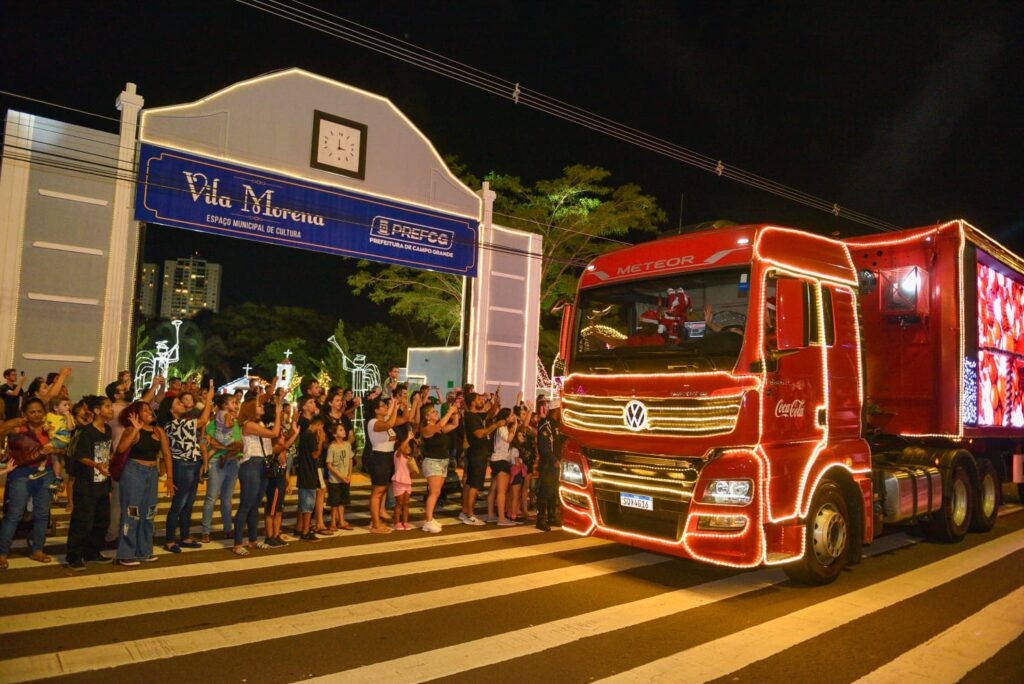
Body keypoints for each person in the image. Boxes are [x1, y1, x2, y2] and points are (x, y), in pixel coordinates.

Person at [0, 397, 60, 569]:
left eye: (39, 411)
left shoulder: (50, 429)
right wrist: (17, 421)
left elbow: (62, 448)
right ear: (25, 413)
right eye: (32, 411)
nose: (36, 415)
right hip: (21, 473)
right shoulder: (18, 429)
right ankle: (2, 553)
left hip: (46, 472)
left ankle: (37, 550)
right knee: (14, 515)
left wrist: (55, 450)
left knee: (42, 514)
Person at [115, 401, 175, 566]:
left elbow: (167, 455)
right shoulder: (131, 430)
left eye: (150, 410)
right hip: (134, 472)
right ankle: (126, 553)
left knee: (149, 512)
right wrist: (135, 429)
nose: (150, 412)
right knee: (131, 512)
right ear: (136, 414)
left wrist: (170, 478)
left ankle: (144, 551)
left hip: (151, 473)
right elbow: (120, 449)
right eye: (145, 410)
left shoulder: (158, 431)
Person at [158, 380, 214, 553]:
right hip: (183, 465)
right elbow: (204, 420)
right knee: (179, 503)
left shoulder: (181, 422)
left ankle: (184, 536)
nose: (182, 404)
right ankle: (169, 540)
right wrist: (209, 400)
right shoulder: (174, 424)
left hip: (192, 463)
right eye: (177, 403)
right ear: (171, 410)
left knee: (188, 503)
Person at [64, 395, 114, 571]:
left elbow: (109, 451)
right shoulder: (86, 432)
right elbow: (80, 456)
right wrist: (97, 465)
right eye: (107, 406)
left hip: (102, 482)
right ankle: (74, 556)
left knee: (101, 521)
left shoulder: (107, 429)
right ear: (97, 411)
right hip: (86, 484)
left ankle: (92, 551)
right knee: (82, 521)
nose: (111, 409)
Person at [233, 393, 282, 555]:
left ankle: (253, 540)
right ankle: (238, 543)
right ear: (250, 410)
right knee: (246, 505)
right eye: (258, 406)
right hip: (251, 464)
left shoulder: (258, 423)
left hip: (262, 464)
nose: (261, 406)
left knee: (255, 505)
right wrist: (279, 413)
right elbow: (274, 434)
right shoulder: (248, 425)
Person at [200, 393, 242, 543]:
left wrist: (224, 449)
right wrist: (223, 448)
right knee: (211, 497)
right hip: (216, 462)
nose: (235, 405)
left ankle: (227, 528)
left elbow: (239, 444)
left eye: (236, 403)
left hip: (231, 461)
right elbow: (207, 442)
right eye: (232, 402)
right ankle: (205, 531)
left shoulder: (235, 423)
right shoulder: (213, 423)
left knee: (227, 499)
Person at [460, 391, 501, 526]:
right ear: (472, 402)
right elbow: (479, 434)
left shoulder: (476, 415)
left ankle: (465, 511)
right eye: (478, 399)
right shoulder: (471, 417)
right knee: (474, 484)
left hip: (478, 453)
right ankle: (470, 515)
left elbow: (490, 414)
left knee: (470, 483)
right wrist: (495, 425)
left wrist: (495, 401)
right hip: (477, 453)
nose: (481, 401)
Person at [260, 408, 298, 548]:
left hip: (281, 480)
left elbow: (285, 469)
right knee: (271, 510)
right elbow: (284, 445)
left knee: (279, 510)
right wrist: (294, 434)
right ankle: (269, 536)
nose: (283, 437)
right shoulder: (274, 449)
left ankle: (276, 535)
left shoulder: (282, 451)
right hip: (274, 482)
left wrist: (288, 483)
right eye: (281, 436)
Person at [419, 403, 459, 533]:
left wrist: (455, 412)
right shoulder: (427, 428)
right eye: (433, 412)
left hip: (442, 462)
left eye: (436, 412)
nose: (436, 413)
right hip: (433, 462)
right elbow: (440, 425)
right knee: (434, 492)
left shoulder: (439, 429)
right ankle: (428, 521)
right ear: (426, 416)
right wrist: (449, 411)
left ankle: (430, 518)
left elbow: (454, 424)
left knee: (437, 492)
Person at [366, 397, 400, 533]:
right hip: (379, 458)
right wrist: (395, 409)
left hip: (387, 457)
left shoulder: (383, 420)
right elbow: (389, 424)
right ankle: (375, 525)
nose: (385, 408)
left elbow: (395, 421)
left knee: (382, 490)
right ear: (376, 410)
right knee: (377, 492)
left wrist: (393, 406)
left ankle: (375, 519)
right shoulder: (373, 422)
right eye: (382, 406)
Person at [295, 415, 327, 541]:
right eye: (321, 428)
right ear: (318, 425)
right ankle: (306, 531)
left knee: (303, 502)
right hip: (308, 472)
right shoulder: (311, 436)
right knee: (308, 503)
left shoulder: (305, 435)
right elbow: (315, 454)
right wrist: (320, 441)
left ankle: (300, 528)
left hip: (304, 471)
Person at [535, 399, 562, 532]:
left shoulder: (559, 424)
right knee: (545, 491)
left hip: (556, 464)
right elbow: (544, 446)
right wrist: (554, 460)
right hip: (548, 464)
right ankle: (540, 519)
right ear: (556, 409)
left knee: (553, 491)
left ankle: (552, 516)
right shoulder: (545, 424)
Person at [325, 421, 354, 532]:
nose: (344, 431)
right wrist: (341, 476)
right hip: (335, 480)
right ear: (334, 434)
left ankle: (341, 521)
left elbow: (350, 460)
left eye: (343, 429)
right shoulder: (332, 447)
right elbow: (329, 464)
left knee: (343, 502)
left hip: (345, 479)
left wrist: (349, 475)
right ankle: (333, 522)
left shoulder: (347, 445)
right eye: (340, 430)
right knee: (334, 502)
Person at [391, 432, 417, 531]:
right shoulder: (397, 456)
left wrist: (413, 470)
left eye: (409, 447)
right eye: (406, 446)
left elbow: (411, 474)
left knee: (406, 503)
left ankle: (405, 522)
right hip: (398, 481)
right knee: (399, 503)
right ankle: (397, 522)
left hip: (407, 482)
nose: (408, 448)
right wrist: (408, 438)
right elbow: (401, 448)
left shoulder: (410, 459)